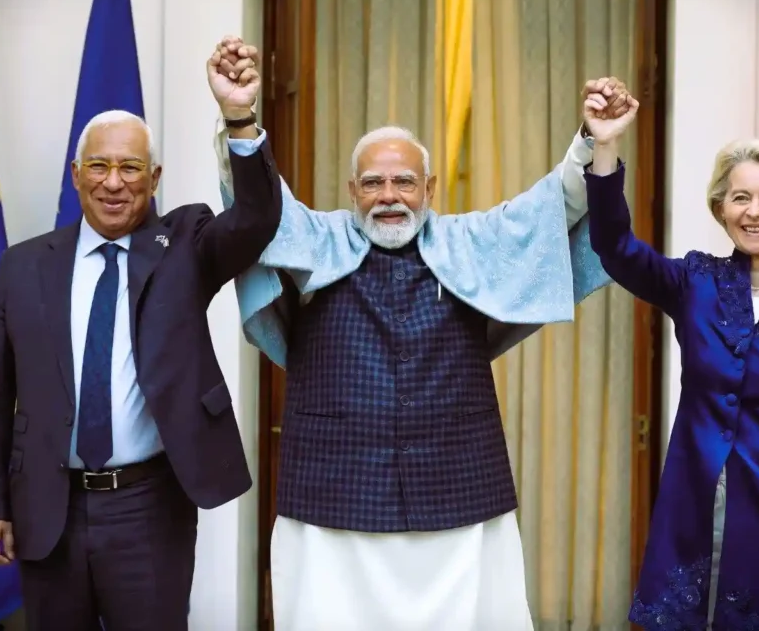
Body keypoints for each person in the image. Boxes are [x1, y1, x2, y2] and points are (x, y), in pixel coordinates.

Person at [210, 36, 632, 630]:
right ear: (352, 191)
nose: (389, 197)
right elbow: (257, 207)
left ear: (430, 189)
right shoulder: (315, 237)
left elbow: (553, 207)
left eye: (405, 182)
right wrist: (240, 118)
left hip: (457, 492)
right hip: (334, 494)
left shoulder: (472, 240)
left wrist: (594, 140)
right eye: (373, 184)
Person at [0, 45, 282, 631]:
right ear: (76, 174)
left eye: (131, 168)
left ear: (154, 179)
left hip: (149, 506)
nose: (114, 183)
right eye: (99, 167)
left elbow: (257, 220)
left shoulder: (185, 244)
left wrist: (239, 117)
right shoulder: (23, 266)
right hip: (47, 505)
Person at [582, 90, 759, 630]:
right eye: (740, 198)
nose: (754, 212)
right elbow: (614, 247)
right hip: (691, 510)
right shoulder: (694, 281)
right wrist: (605, 146)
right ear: (721, 210)